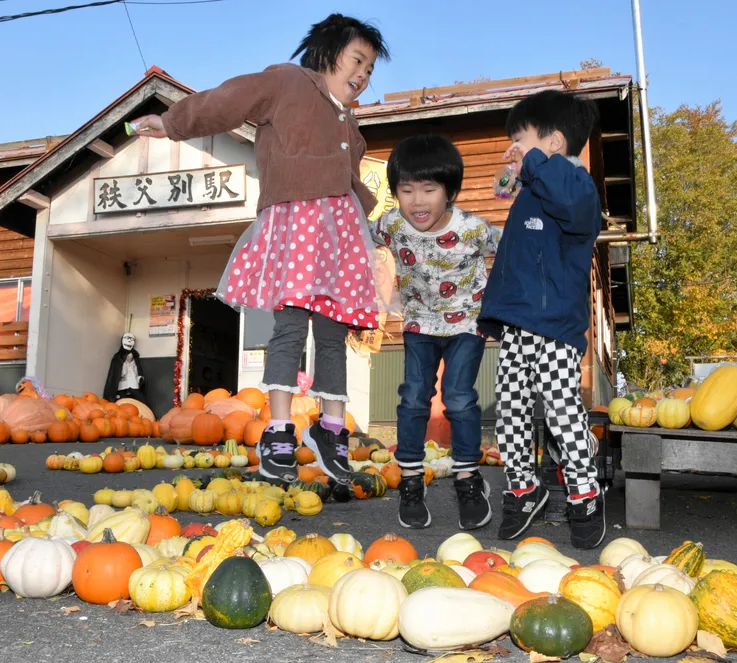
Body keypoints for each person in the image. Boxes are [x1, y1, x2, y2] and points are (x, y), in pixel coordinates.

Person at [130, 14, 390, 487]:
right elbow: (230, 100)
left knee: (334, 335)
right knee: (290, 328)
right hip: (297, 225)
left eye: (371, 68)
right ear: (329, 52)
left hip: (340, 237)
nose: (364, 74)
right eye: (359, 60)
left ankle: (332, 431)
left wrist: (373, 226)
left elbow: (352, 182)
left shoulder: (350, 123)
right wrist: (172, 122)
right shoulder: (287, 82)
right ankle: (278, 432)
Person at [477, 90, 605, 548]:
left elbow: (571, 207)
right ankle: (522, 487)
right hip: (517, 325)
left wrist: (534, 164)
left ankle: (584, 491)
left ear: (553, 143)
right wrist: (492, 315)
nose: (513, 147)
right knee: (510, 411)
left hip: (555, 329)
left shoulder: (576, 185)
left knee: (560, 409)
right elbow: (502, 192)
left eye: (521, 139)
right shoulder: (531, 190)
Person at [371, 134, 500, 530]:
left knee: (459, 399)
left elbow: (516, 248)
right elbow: (353, 233)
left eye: (429, 189)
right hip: (417, 324)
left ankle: (467, 478)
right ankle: (410, 479)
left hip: (465, 322)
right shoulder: (392, 224)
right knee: (413, 398)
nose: (418, 201)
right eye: (406, 190)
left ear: (451, 191)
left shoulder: (473, 230)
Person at [103, 333, 148, 405]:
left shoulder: (135, 357)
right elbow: (118, 374)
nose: (129, 341)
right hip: (122, 385)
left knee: (141, 402)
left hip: (133, 384)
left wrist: (139, 378)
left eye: (131, 339)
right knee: (121, 403)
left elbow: (137, 371)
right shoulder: (118, 357)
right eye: (127, 338)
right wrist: (126, 363)